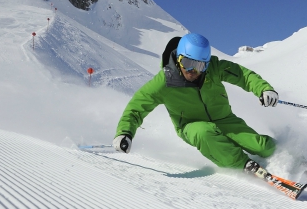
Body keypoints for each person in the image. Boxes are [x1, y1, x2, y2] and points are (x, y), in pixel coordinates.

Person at [113, 33, 278, 174]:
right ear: (178, 59)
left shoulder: (214, 68)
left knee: (263, 147)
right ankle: (242, 165)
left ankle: (286, 156)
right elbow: (137, 107)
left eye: (200, 65)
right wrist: (125, 132)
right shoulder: (164, 82)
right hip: (191, 125)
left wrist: (264, 89)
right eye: (187, 63)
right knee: (204, 133)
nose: (193, 71)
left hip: (224, 119)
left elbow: (242, 75)